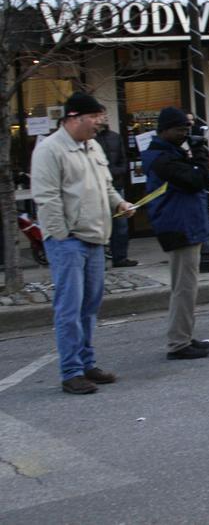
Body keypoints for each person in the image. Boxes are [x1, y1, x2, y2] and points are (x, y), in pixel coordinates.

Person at [30, 92, 134, 394]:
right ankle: (71, 371)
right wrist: (61, 234)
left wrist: (120, 204)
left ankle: (87, 364)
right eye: (94, 118)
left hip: (95, 238)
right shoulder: (49, 150)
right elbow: (47, 198)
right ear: (74, 118)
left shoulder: (93, 147)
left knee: (89, 307)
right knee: (69, 309)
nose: (99, 124)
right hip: (69, 242)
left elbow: (105, 185)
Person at [141, 107, 209, 360]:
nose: (185, 134)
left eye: (187, 129)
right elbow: (197, 179)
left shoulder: (169, 153)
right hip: (178, 226)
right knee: (184, 288)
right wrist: (200, 152)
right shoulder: (162, 158)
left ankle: (183, 335)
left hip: (184, 223)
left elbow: (198, 177)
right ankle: (178, 343)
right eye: (180, 129)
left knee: (186, 287)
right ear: (164, 130)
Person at [94, 113, 136, 268]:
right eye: (99, 115)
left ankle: (120, 257)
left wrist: (115, 172)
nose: (103, 118)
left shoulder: (115, 137)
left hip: (116, 185)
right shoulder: (90, 140)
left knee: (121, 225)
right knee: (100, 224)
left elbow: (123, 160)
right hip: (98, 188)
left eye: (105, 115)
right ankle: (100, 259)